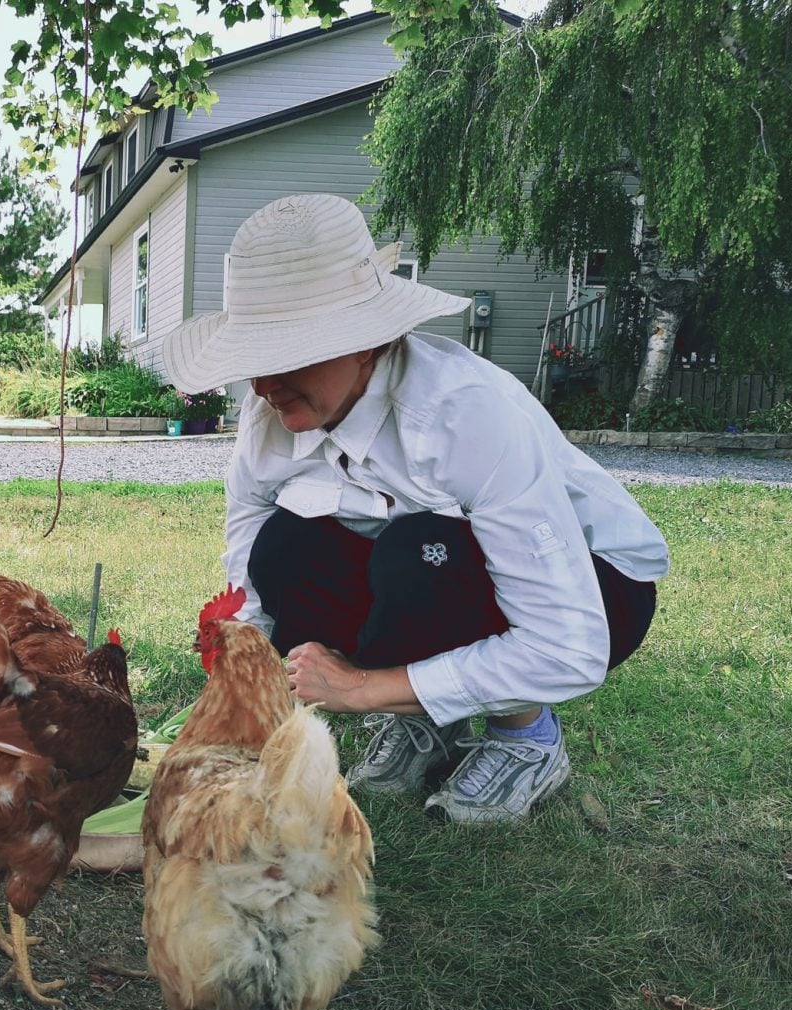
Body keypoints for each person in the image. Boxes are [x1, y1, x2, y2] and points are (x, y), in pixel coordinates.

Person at [162, 194, 669, 824]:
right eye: (253, 363)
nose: (263, 386)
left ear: (368, 344)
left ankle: (526, 736)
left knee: (418, 554)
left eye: (289, 355)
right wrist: (240, 668)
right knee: (286, 550)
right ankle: (428, 715)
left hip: (597, 585)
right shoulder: (268, 418)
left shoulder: (462, 415)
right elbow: (250, 553)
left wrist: (361, 689)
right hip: (432, 560)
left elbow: (568, 645)